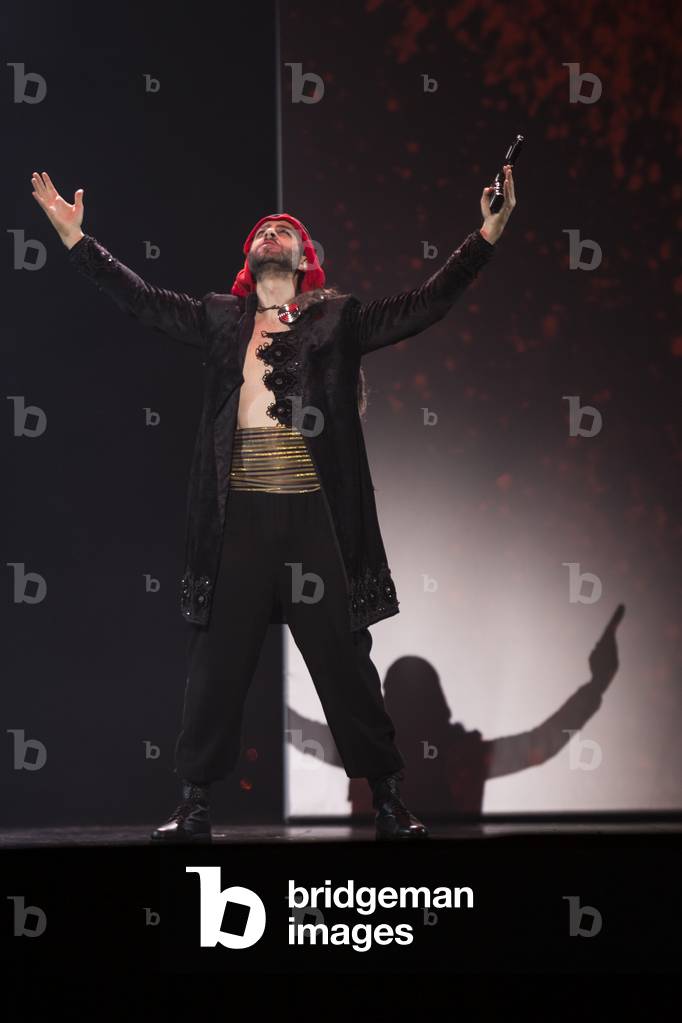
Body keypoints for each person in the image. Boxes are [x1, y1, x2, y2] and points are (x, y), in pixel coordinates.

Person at [30, 166, 516, 842]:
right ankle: (195, 805)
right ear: (249, 259)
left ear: (303, 258)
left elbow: (423, 305)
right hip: (241, 519)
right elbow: (139, 300)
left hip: (314, 513)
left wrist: (487, 233)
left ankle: (388, 799)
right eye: (264, 230)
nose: (275, 232)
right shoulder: (220, 319)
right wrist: (78, 241)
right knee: (215, 668)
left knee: (346, 664)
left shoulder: (337, 320)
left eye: (286, 230)